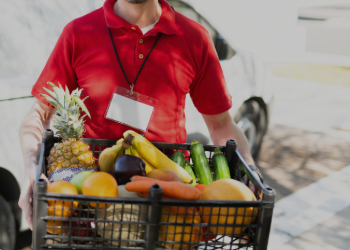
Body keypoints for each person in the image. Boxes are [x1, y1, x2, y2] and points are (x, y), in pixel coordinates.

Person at [18, 0, 262, 230]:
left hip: (168, 211)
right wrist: (31, 168)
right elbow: (38, 115)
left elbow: (222, 125)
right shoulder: (78, 32)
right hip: (90, 206)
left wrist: (250, 169)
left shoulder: (195, 38)